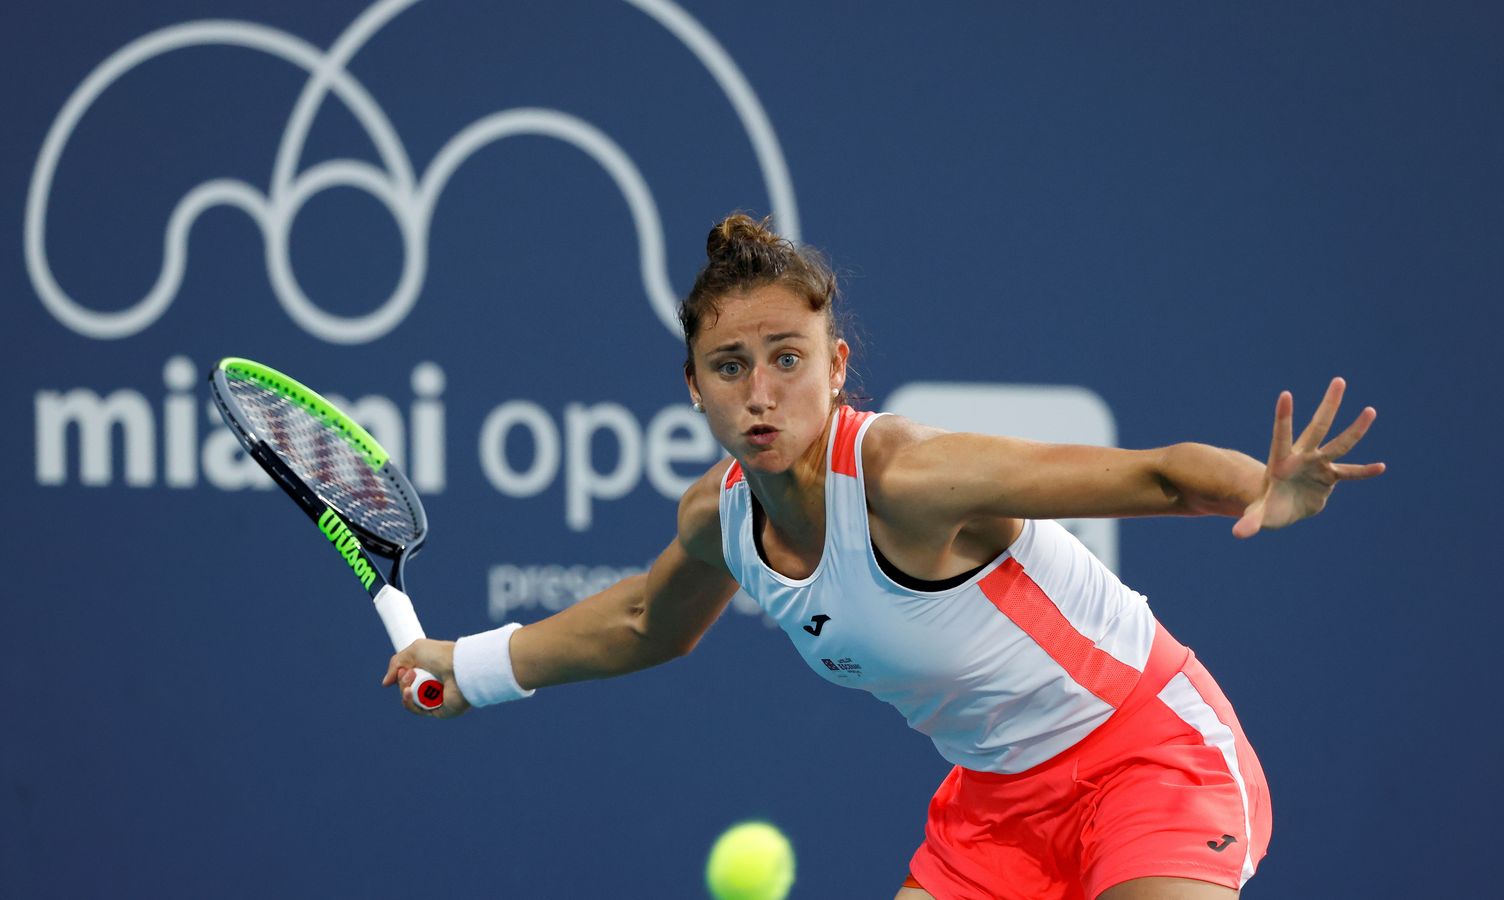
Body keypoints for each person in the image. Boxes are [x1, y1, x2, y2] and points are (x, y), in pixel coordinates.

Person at [383, 214, 1384, 899]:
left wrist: (1260, 483)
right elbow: (647, 620)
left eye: (788, 359)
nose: (761, 392)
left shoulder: (908, 478)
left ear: (837, 366)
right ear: (694, 385)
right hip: (995, 806)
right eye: (731, 367)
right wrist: (470, 669)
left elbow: (1156, 476)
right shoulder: (719, 518)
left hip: (1150, 758)